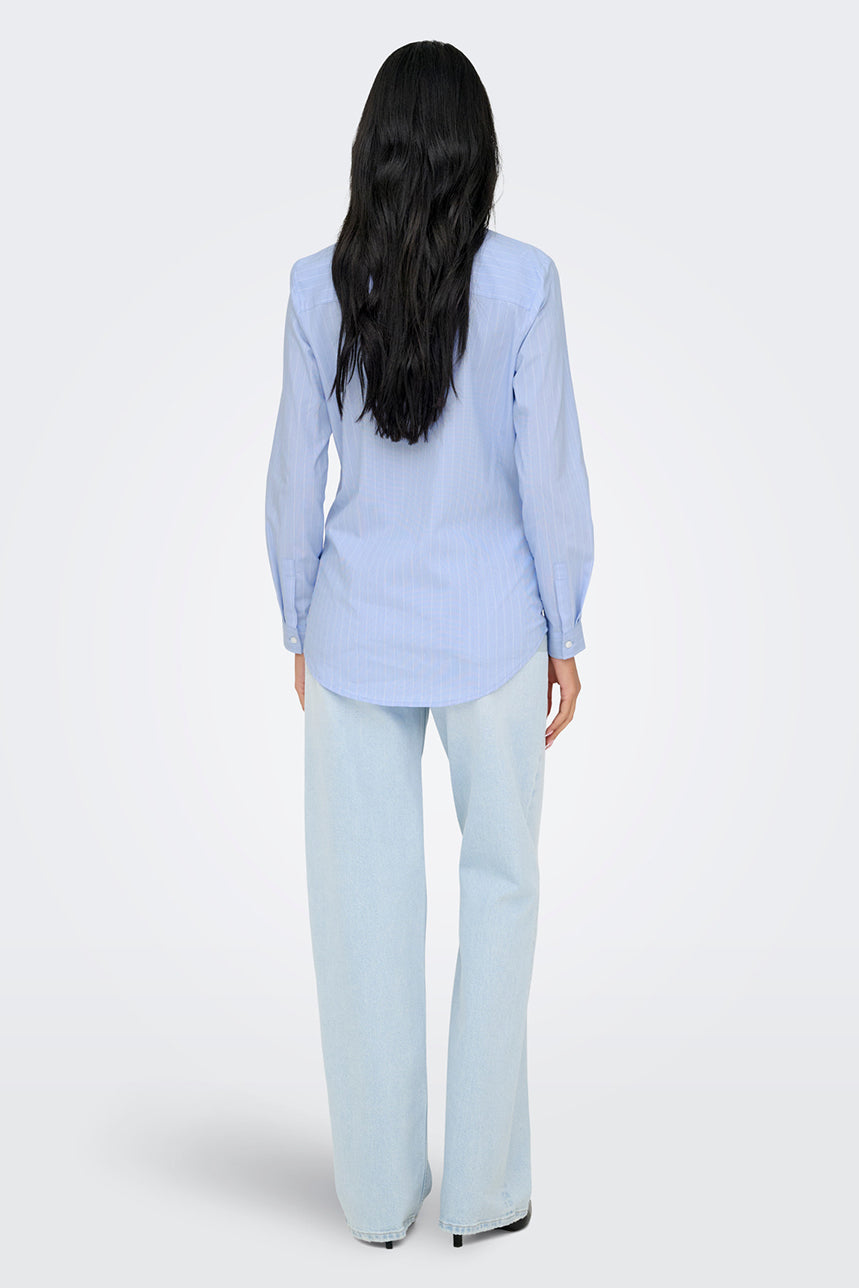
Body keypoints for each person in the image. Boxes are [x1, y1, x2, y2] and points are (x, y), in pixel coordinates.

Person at [264, 40, 595, 1250]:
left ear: (372, 151)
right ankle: (484, 1190)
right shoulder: (525, 284)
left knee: (360, 914)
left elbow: (293, 478)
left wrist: (296, 614)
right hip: (495, 628)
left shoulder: (315, 289)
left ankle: (374, 1194)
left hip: (354, 631)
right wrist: (565, 623)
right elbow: (550, 474)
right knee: (501, 891)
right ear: (477, 155)